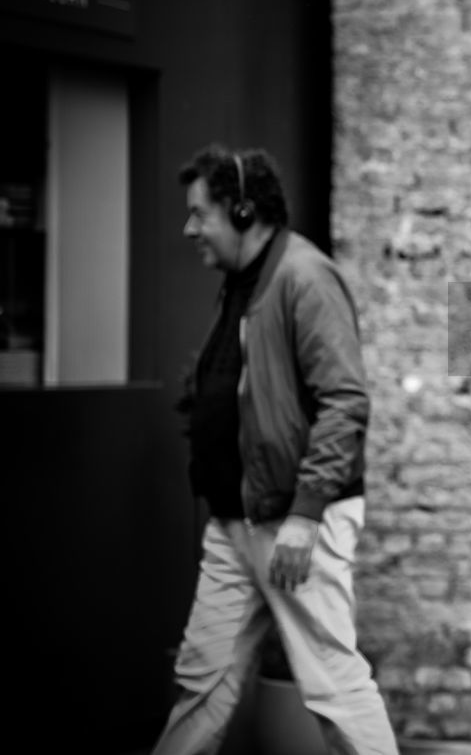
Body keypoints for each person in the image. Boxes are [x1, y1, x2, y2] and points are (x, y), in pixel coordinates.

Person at [153, 145, 399, 754]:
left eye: (198, 213)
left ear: (241, 212)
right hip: (235, 522)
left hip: (293, 524)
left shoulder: (303, 277)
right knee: (200, 682)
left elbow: (345, 402)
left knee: (333, 685)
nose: (190, 229)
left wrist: (305, 514)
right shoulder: (244, 280)